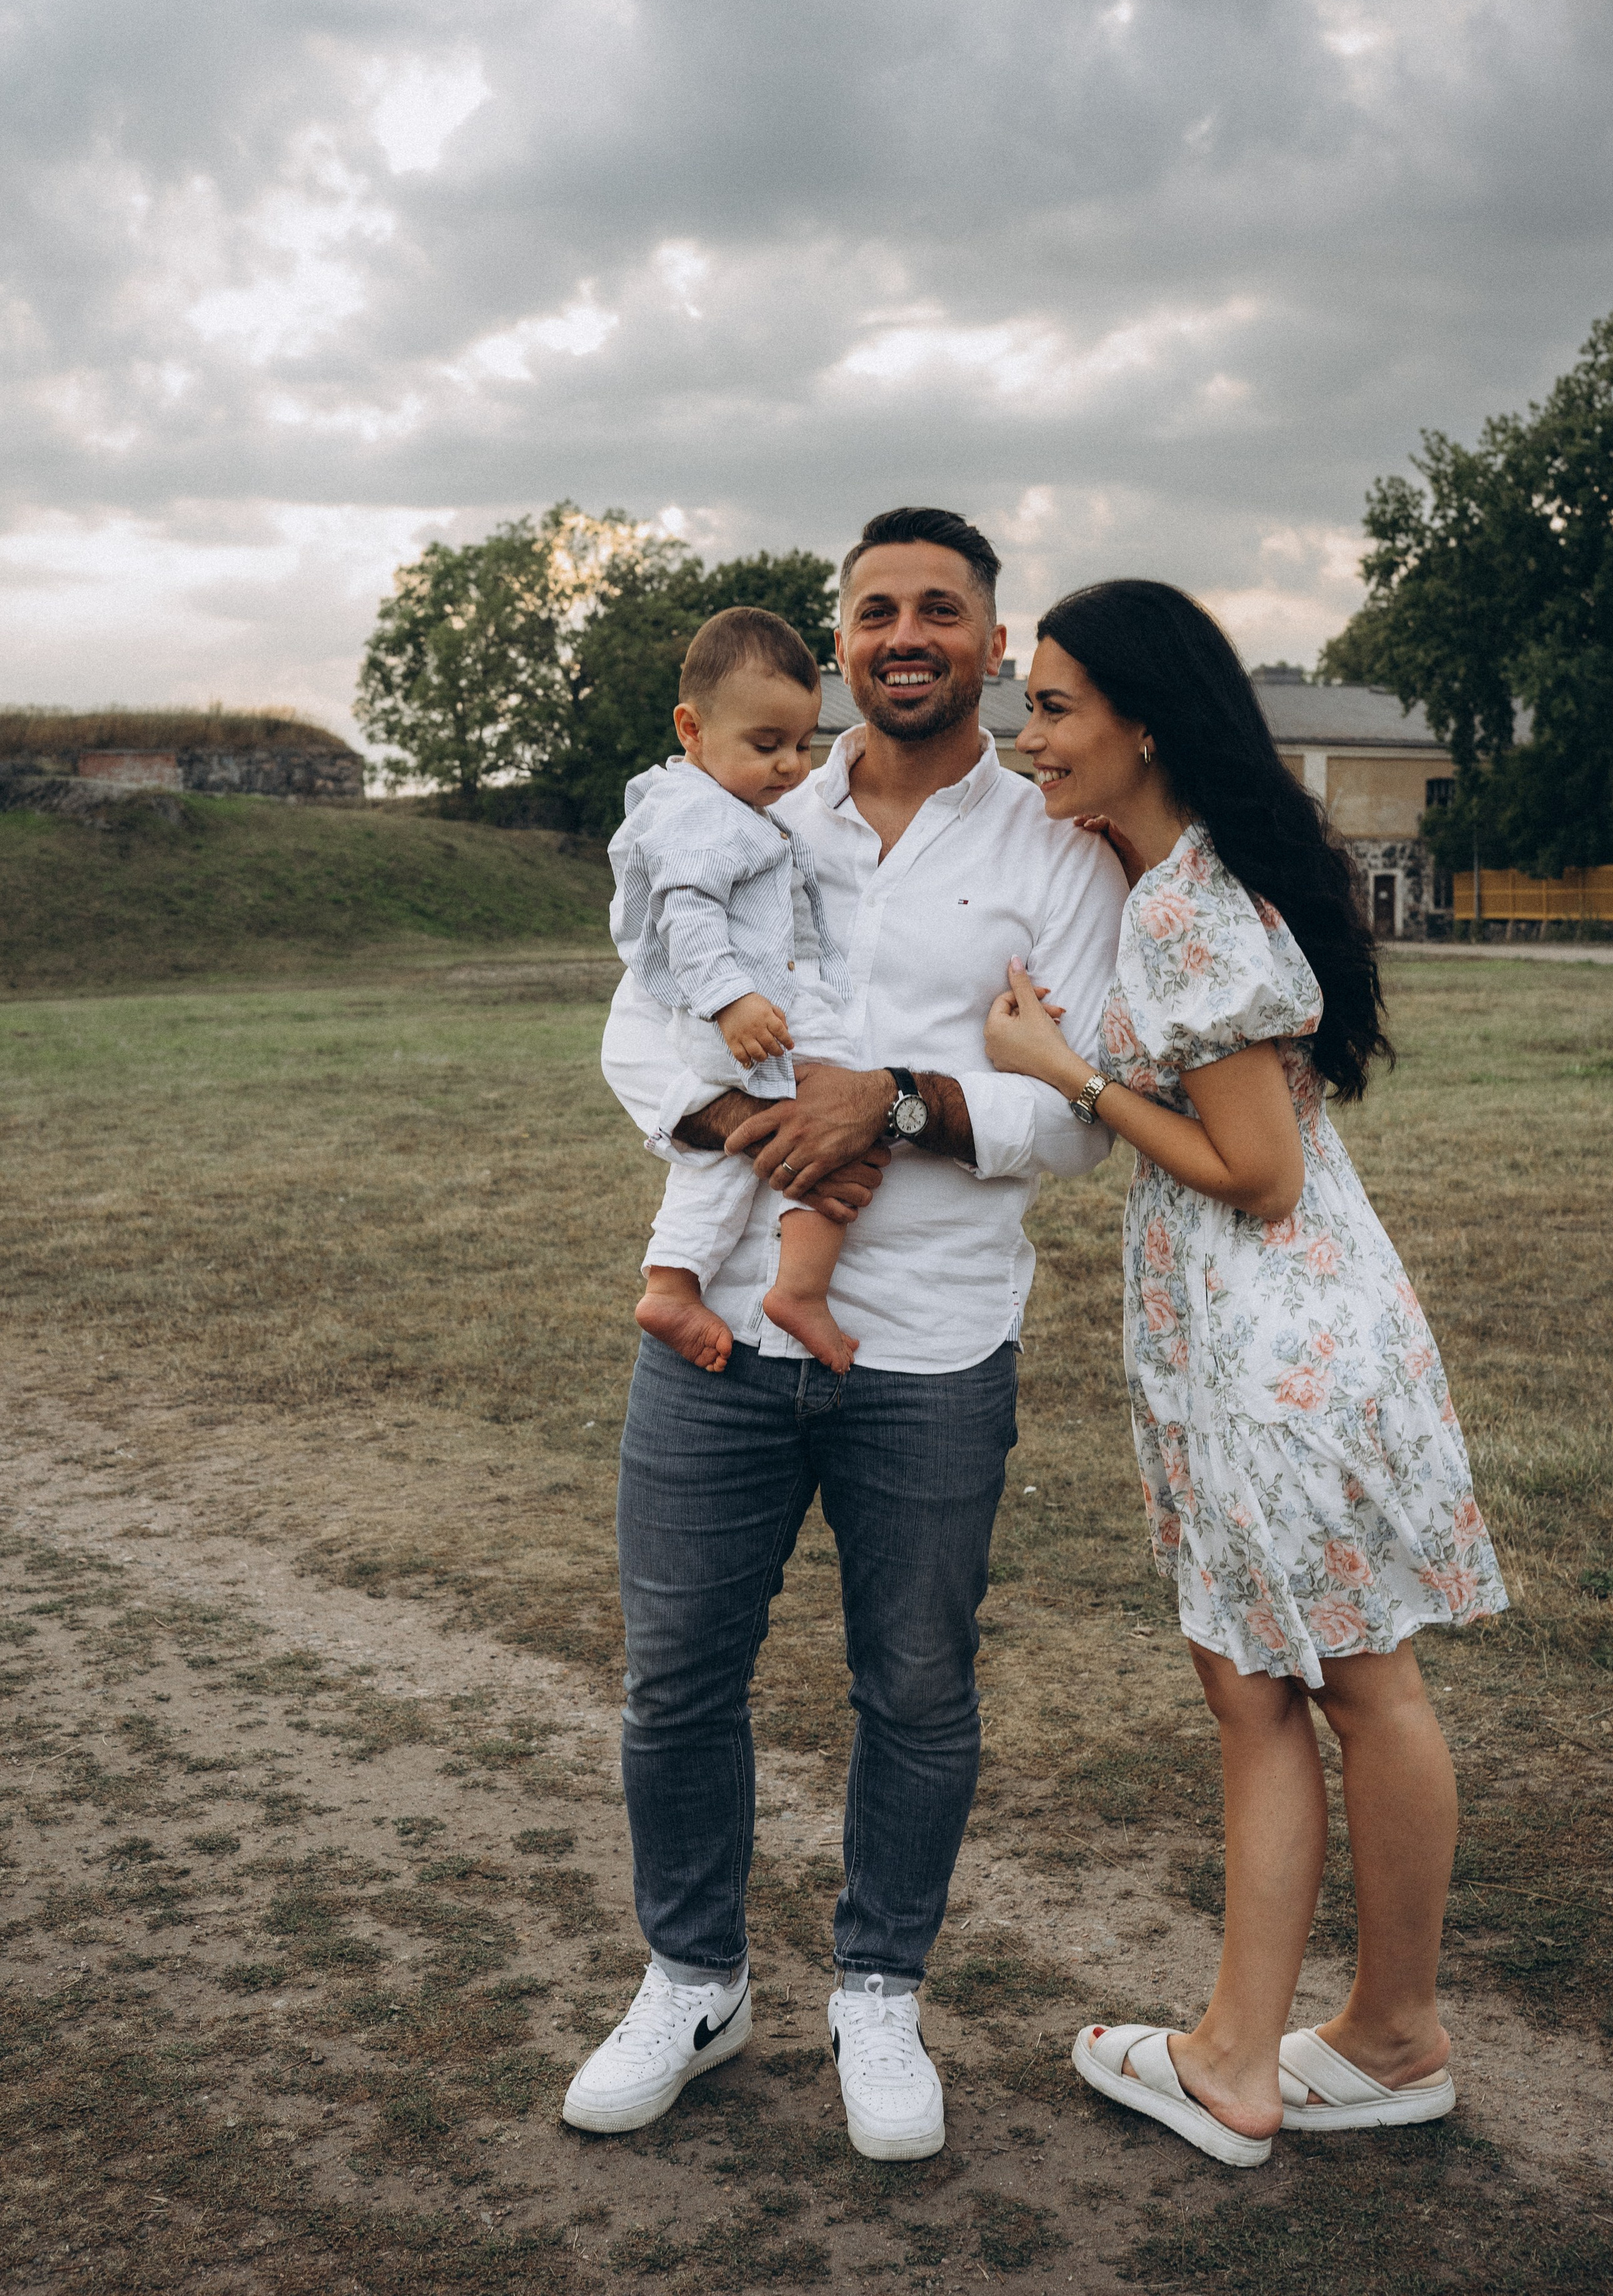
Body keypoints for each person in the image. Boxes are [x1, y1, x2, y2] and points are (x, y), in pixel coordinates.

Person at [562, 508, 1128, 2162]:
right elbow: (632, 1023)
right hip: (719, 1330)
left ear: (990, 642)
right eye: (874, 606)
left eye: (937, 609)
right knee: (675, 1679)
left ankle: (876, 1991)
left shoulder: (1050, 852)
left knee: (915, 1685)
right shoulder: (742, 798)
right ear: (837, 633)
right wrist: (757, 1128)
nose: (903, 632)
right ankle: (693, 1976)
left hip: (930, 1342)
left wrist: (895, 1100)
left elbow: (1081, 1104)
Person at [983, 579, 1507, 2171]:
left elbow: (1255, 1168)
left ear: (1146, 719)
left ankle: (1322, 2039)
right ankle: (1323, 2037)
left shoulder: (1190, 912)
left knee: (1343, 1680)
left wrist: (1060, 1068)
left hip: (1277, 1332)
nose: (1030, 737)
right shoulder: (1180, 869)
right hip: (1277, 1330)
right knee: (1288, 1680)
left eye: (1056, 706)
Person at [608, 605, 865, 1376]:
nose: (791, 766)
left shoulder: (726, 805)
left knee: (726, 1160)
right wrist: (732, 1000)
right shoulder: (699, 815)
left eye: (801, 744)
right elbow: (683, 912)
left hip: (739, 1015)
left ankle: (673, 1281)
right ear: (691, 729)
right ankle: (799, 1290)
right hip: (738, 1016)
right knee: (838, 1123)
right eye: (767, 745)